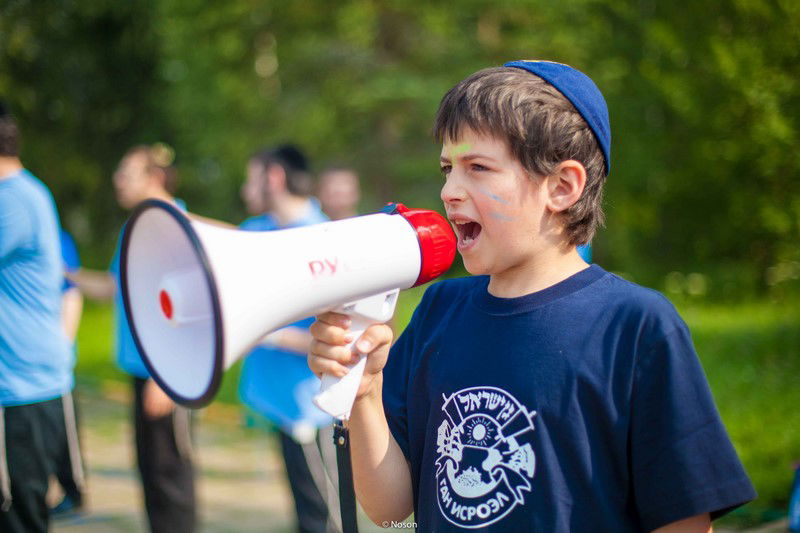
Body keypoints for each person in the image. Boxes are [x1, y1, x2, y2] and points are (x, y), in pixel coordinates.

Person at [307, 61, 756, 531]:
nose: (449, 191)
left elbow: (684, 519)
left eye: (478, 168)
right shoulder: (439, 311)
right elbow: (388, 507)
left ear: (562, 187)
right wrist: (364, 392)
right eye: (447, 168)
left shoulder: (635, 325)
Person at [70, 144, 196, 532]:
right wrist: (60, 273)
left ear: (155, 177)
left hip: (166, 374)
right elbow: (113, 286)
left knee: (170, 476)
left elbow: (191, 304)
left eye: (127, 172)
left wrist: (167, 378)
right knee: (150, 473)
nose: (117, 179)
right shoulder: (137, 226)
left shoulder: (174, 224)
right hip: (142, 368)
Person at [238, 145, 340, 533]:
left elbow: (340, 339)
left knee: (324, 516)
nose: (247, 189)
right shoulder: (255, 232)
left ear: (274, 178)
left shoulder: (324, 238)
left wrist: (269, 332)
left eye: (252, 178)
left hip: (310, 409)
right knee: (303, 512)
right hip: (278, 403)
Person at [0, 102, 73, 532]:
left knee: (18, 520)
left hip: (20, 391)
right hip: (20, 388)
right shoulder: (22, 194)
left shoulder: (16, 202)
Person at [50, 229, 87, 517]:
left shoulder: (58, 238)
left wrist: (65, 344)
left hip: (55, 360)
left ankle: (75, 488)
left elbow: (71, 291)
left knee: (65, 428)